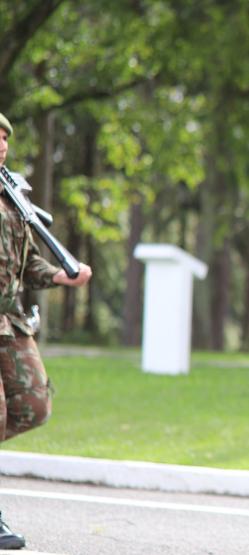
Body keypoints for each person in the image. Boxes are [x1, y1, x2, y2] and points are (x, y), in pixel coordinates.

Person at [0, 112, 92, 550]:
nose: (1, 145)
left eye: (4, 139)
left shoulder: (14, 195)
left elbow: (26, 263)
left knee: (34, 405)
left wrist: (59, 276)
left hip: (9, 318)